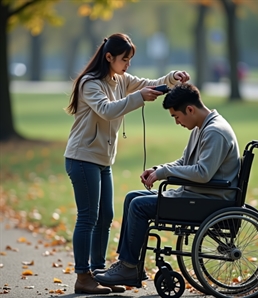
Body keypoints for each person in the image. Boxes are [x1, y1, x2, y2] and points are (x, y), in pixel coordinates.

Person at [64, 32, 190, 295]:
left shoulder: (120, 78)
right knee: (88, 217)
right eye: (125, 59)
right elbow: (107, 110)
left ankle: (99, 272)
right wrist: (139, 98)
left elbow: (149, 83)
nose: (128, 65)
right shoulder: (91, 83)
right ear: (109, 57)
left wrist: (172, 78)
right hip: (82, 158)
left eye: (130, 59)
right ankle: (82, 276)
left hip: (102, 160)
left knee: (106, 216)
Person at [94, 83, 241, 287]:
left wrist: (164, 173)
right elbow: (184, 162)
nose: (177, 122)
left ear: (190, 109)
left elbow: (202, 173)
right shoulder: (202, 127)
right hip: (197, 196)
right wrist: (158, 169)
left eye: (176, 116)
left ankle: (128, 267)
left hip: (209, 201)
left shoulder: (215, 132)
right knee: (132, 198)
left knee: (138, 206)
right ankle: (129, 265)